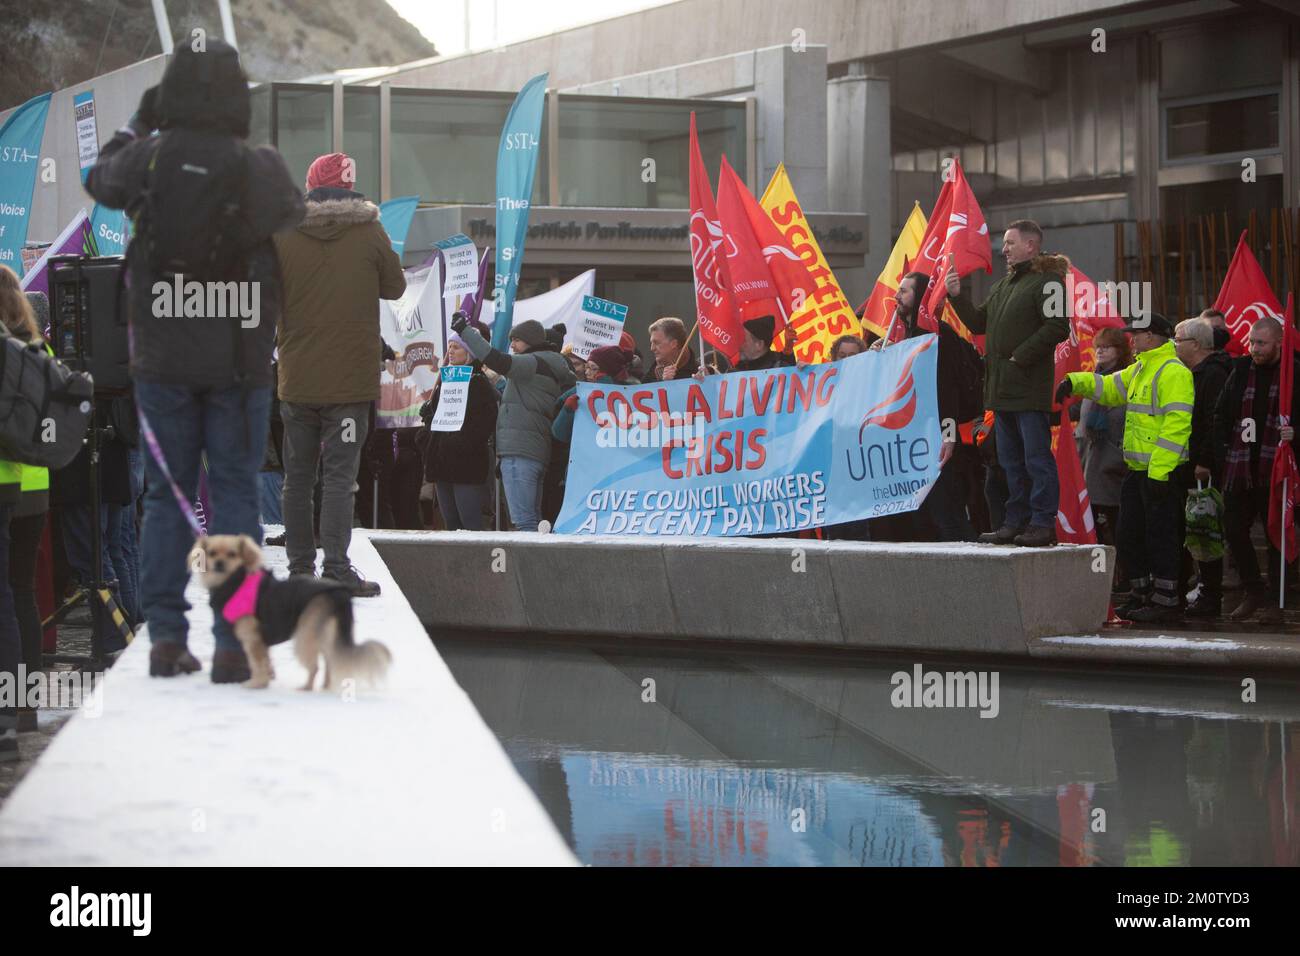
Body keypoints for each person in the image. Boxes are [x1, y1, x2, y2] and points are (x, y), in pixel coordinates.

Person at [85, 40, 305, 681]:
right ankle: (234, 642)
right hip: (239, 362)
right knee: (236, 493)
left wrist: (141, 124)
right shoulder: (255, 163)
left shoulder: (147, 157)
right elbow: (289, 210)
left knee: (165, 496)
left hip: (161, 360)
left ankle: (165, 639)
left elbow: (99, 177)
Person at [273, 151, 406, 596]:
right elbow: (396, 286)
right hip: (350, 384)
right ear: (351, 187)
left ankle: (298, 570)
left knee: (297, 478)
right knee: (339, 479)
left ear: (309, 185)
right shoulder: (369, 230)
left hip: (298, 381)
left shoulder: (281, 231)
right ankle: (335, 567)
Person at [1058, 314, 1194, 622]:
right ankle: (1141, 593)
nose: (1131, 338)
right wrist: (1073, 382)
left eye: (1137, 333)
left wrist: (1159, 471)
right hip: (1138, 470)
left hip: (1162, 472)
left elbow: (1176, 425)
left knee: (1161, 536)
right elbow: (1108, 387)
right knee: (1130, 533)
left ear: (1153, 336)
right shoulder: (1143, 368)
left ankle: (1166, 600)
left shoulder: (1173, 372)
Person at [947, 220, 1069, 547]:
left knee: (1036, 461)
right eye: (1004, 243)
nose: (1004, 249)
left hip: (1028, 390)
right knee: (1009, 463)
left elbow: (1058, 326)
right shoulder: (1003, 286)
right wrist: (957, 297)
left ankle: (1042, 523)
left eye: (1010, 243)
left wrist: (1021, 356)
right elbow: (976, 322)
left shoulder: (1049, 281)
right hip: (1001, 392)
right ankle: (1015, 522)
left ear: (1031, 245)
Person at [1213, 316, 1300, 625]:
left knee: (1278, 535)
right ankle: (1253, 589)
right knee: (1234, 529)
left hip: (1278, 470)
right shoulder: (1240, 370)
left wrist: (1295, 433)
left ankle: (1277, 602)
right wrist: (1225, 449)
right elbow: (1222, 412)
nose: (1254, 348)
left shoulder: (1294, 372)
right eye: (1251, 342)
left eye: (1261, 343)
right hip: (1241, 467)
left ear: (1279, 343)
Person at [453, 315, 576, 532]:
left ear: (530, 341)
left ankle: (529, 566)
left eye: (516, 340)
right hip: (534, 450)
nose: (512, 345)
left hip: (519, 450)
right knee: (534, 520)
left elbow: (495, 358)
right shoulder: (548, 363)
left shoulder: (531, 362)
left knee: (524, 521)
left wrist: (465, 331)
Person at [894, 272, 977, 541]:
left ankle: (970, 574)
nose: (897, 296)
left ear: (919, 298)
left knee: (947, 514)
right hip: (915, 441)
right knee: (923, 516)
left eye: (905, 291)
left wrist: (949, 435)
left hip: (939, 441)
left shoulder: (938, 335)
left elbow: (948, 389)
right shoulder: (904, 336)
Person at [1173, 316, 1232, 617]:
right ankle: (1195, 590)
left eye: (1178, 339)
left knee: (1206, 528)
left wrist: (1205, 461)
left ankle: (1211, 595)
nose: (1174, 345)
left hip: (1204, 469)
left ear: (1195, 344)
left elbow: (1215, 422)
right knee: (1194, 528)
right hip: (1191, 464)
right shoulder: (1194, 373)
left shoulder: (1213, 375)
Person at [418, 332, 498, 531]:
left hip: (465, 464)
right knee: (451, 525)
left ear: (469, 353)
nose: (450, 352)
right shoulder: (446, 381)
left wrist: (457, 442)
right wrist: (428, 429)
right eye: (449, 347)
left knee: (470, 526)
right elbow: (436, 419)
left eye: (456, 347)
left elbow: (483, 425)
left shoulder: (479, 384)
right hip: (442, 462)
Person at [1075, 327, 1132, 588]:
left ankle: (1125, 574)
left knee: (1117, 523)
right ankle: (1100, 574)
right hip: (1090, 460)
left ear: (1120, 352)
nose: (1099, 350)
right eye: (1098, 346)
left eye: (1106, 347)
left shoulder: (1125, 380)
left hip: (1113, 463)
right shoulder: (1093, 378)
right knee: (1093, 522)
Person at [647, 317, 700, 381]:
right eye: (652, 343)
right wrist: (664, 383)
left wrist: (707, 382)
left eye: (657, 343)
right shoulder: (651, 375)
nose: (652, 348)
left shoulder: (702, 372)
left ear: (674, 343)